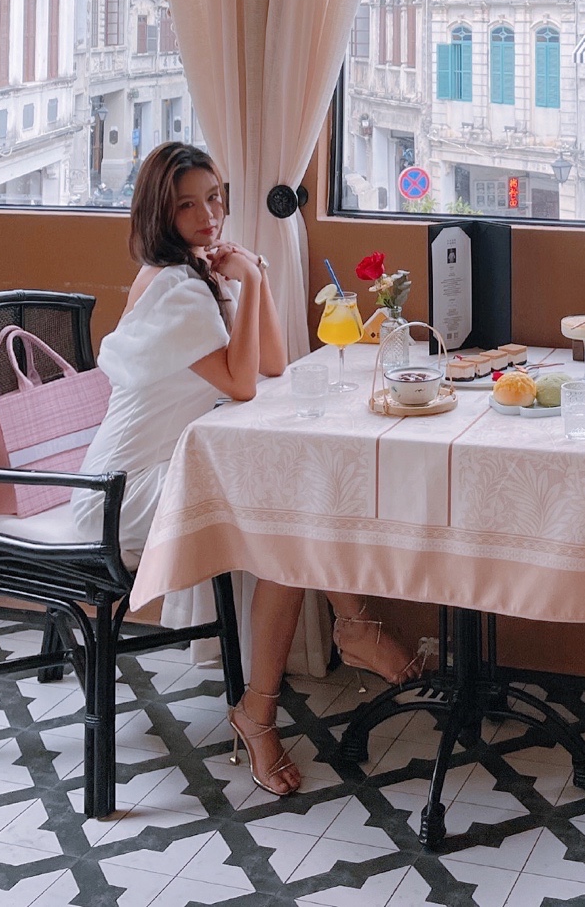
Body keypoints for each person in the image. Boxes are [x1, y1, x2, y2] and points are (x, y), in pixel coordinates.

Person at [71, 140, 418, 796]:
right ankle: (320, 657)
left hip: (163, 472)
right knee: (284, 517)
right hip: (119, 492)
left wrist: (247, 276)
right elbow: (242, 384)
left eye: (215, 198)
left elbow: (272, 364)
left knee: (293, 501)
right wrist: (254, 279)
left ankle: (318, 658)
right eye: (188, 206)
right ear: (159, 213)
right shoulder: (174, 287)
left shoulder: (198, 274)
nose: (209, 216)